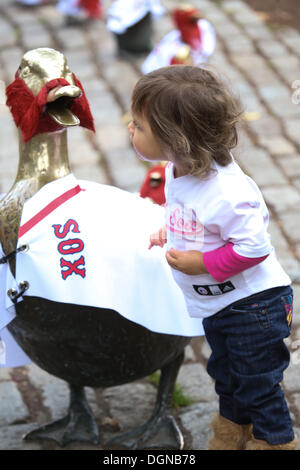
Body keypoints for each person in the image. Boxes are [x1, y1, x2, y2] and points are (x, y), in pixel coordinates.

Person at [128, 65, 298, 450]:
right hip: (221, 304)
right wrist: (168, 231)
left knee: (258, 384)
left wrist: (200, 264)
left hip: (254, 307)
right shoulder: (177, 169)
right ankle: (231, 432)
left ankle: (276, 441)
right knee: (226, 373)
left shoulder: (228, 193)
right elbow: (189, 215)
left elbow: (253, 247)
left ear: (176, 138)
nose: (130, 129)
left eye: (139, 124)